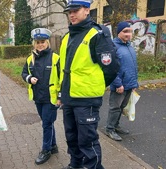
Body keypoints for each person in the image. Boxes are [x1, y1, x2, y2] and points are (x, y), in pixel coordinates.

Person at [58, 0, 120, 168]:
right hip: (69, 97)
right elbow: (63, 69)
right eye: (69, 11)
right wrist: (61, 93)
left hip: (87, 99)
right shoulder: (67, 36)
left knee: (87, 140)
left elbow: (112, 67)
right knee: (71, 136)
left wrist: (97, 85)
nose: (71, 14)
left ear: (87, 10)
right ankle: (75, 164)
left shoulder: (97, 34)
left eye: (75, 10)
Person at [21, 28, 60, 165]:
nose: (40, 45)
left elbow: (62, 79)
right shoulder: (30, 59)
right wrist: (29, 78)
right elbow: (24, 73)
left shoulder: (55, 58)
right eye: (37, 42)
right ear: (34, 43)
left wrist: (60, 97)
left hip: (51, 98)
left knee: (46, 124)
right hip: (38, 98)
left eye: (43, 42)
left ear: (47, 42)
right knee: (47, 122)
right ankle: (53, 145)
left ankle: (46, 150)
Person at [105, 21, 139, 141]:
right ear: (118, 33)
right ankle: (109, 129)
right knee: (115, 107)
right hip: (119, 85)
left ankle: (116, 125)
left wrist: (135, 83)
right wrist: (117, 84)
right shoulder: (113, 47)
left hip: (129, 84)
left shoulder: (129, 46)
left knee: (122, 107)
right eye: (125, 31)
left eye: (129, 31)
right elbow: (111, 68)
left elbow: (133, 66)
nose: (128, 34)